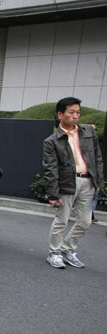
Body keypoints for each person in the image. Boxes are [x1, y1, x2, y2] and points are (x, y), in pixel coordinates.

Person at [43, 97, 103, 269]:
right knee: (61, 220)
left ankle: (67, 249)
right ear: (60, 114)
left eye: (78, 112)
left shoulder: (88, 132)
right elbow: (50, 169)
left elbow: (97, 158)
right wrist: (53, 194)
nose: (76, 116)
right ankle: (54, 253)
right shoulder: (52, 141)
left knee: (85, 222)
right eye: (72, 112)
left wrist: (98, 180)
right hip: (67, 183)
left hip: (87, 181)